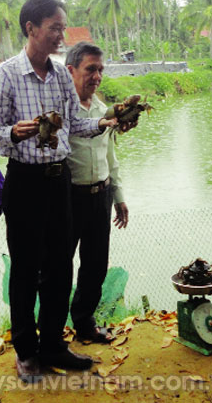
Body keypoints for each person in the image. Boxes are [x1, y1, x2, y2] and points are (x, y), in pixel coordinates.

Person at [0, 0, 118, 383]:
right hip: (24, 181)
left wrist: (105, 124)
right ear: (31, 28)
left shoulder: (61, 75)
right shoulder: (5, 75)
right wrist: (15, 131)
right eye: (55, 27)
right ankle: (26, 351)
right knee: (26, 268)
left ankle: (54, 344)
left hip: (60, 181)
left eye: (63, 26)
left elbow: (76, 123)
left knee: (61, 267)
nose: (62, 34)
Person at [65, 42, 133, 343]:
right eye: (90, 69)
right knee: (58, 266)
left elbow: (110, 156)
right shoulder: (62, 109)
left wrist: (118, 197)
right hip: (69, 197)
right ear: (72, 71)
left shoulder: (102, 108)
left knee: (95, 265)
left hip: (101, 195)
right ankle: (52, 333)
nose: (97, 76)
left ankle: (84, 324)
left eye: (100, 70)